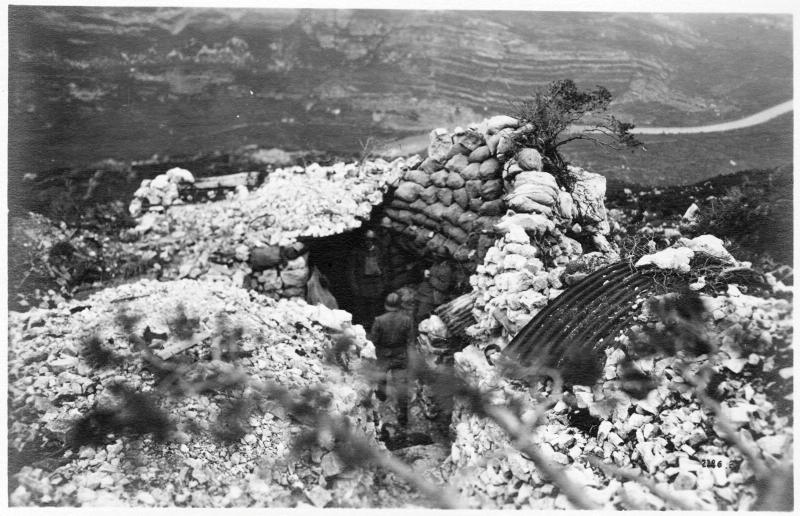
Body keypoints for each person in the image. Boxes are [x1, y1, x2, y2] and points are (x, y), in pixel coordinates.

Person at [370, 292, 415, 428]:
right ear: (399, 305)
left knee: (381, 378)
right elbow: (410, 341)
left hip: (383, 355)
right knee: (401, 386)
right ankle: (403, 417)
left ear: (386, 305)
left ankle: (382, 397)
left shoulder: (379, 320)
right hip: (400, 355)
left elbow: (373, 340)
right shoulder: (407, 320)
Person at [346, 228, 387, 330]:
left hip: (376, 284)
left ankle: (374, 328)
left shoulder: (379, 251)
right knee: (362, 309)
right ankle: (363, 329)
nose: (368, 242)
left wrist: (383, 284)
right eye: (366, 239)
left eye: (371, 239)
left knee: (375, 308)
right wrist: (354, 286)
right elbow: (351, 270)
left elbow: (384, 268)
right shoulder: (356, 252)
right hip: (362, 284)